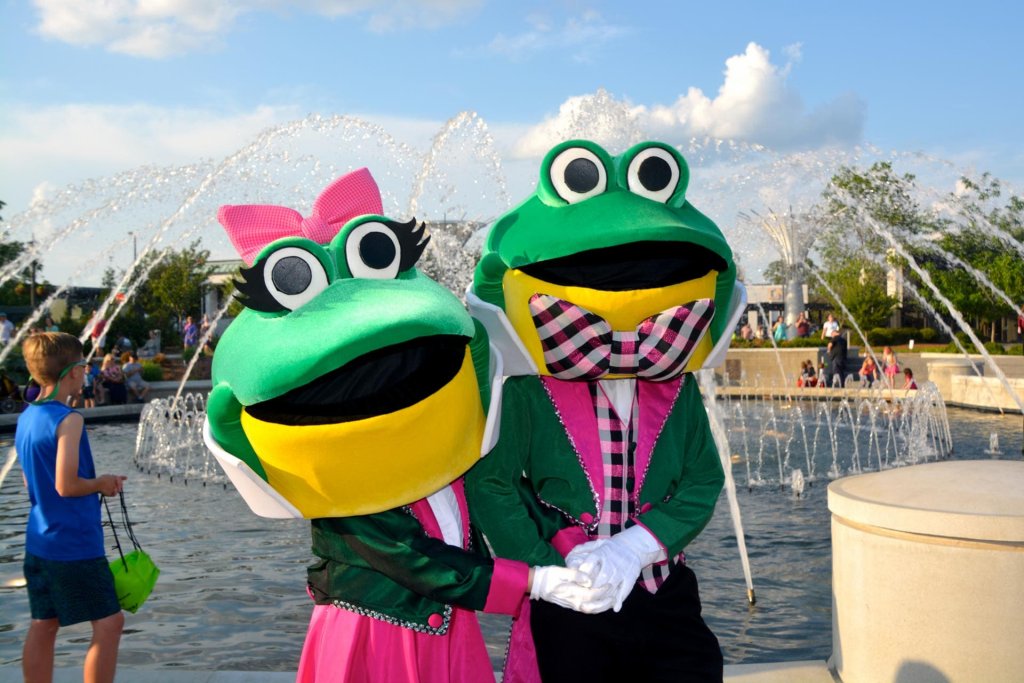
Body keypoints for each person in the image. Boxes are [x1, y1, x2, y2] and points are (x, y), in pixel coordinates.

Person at [14, 332, 126, 683]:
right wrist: (101, 484)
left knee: (44, 624)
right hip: (74, 543)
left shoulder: (27, 417)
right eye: (83, 365)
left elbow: (31, 483)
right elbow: (66, 484)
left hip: (40, 540)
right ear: (75, 372)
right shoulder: (69, 419)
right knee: (109, 622)